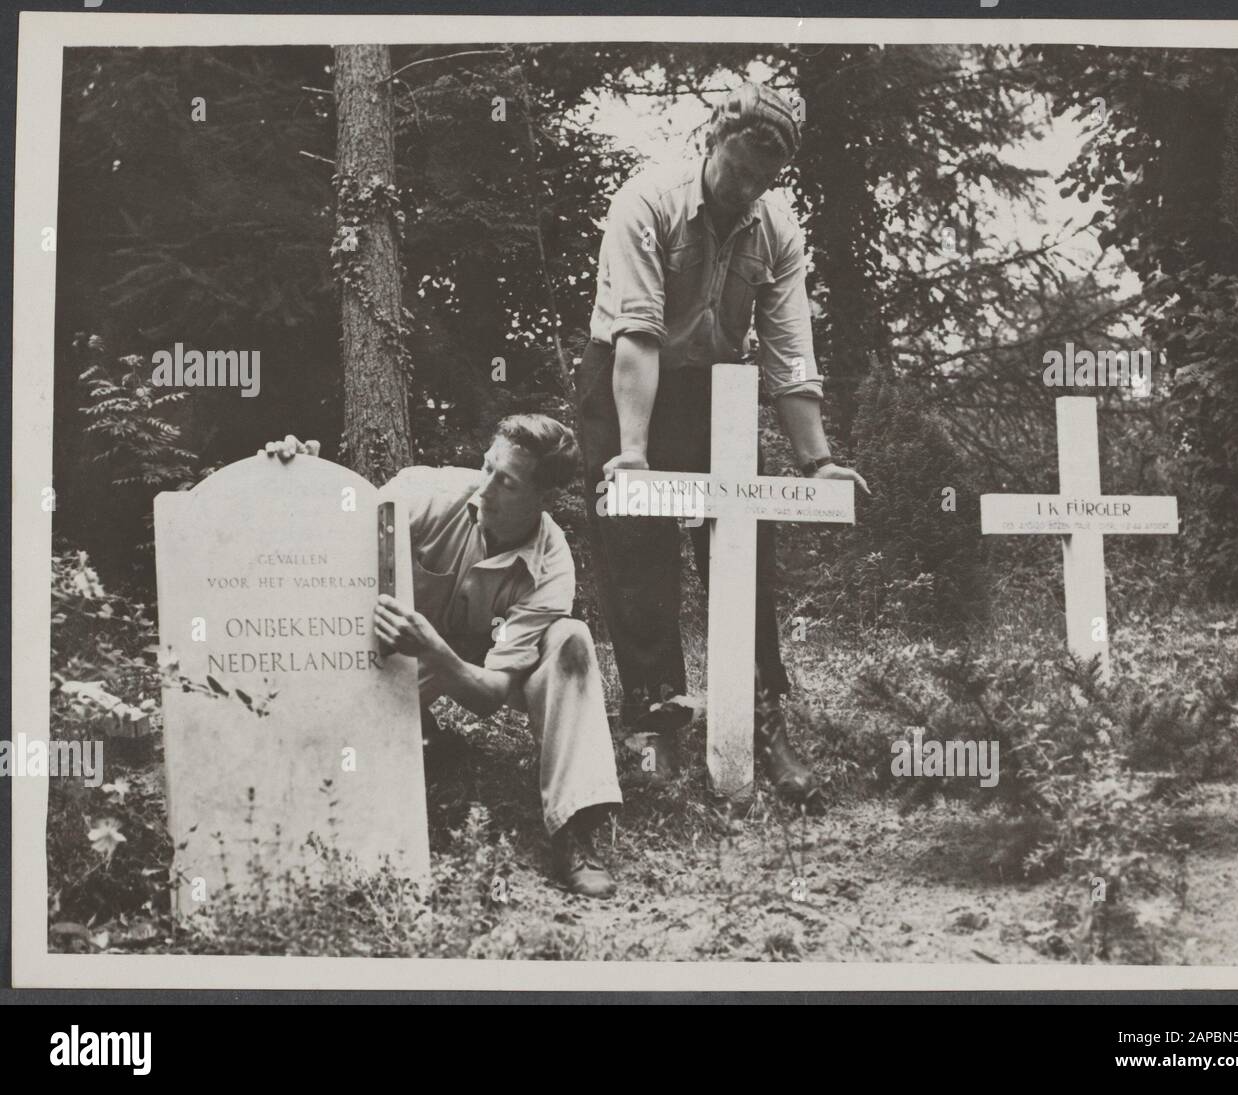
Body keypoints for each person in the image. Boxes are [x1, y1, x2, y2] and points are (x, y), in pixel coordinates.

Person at [576, 81, 868, 808]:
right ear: (712, 141)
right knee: (634, 539)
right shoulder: (646, 203)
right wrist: (635, 454)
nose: (746, 190)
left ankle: (763, 716)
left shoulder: (777, 230)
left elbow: (789, 353)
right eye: (737, 172)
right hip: (623, 379)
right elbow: (638, 335)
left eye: (763, 181)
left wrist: (818, 458)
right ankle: (655, 715)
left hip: (714, 386)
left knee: (745, 541)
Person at [263, 418, 624, 898]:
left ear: (543, 497)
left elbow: (491, 695)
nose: (485, 489)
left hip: (468, 662)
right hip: (393, 654)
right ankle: (418, 736)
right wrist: (305, 482)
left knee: (571, 640)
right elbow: (334, 542)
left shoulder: (553, 563)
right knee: (326, 763)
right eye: (486, 467)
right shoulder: (426, 492)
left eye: (507, 482)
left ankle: (573, 825)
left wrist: (434, 649)